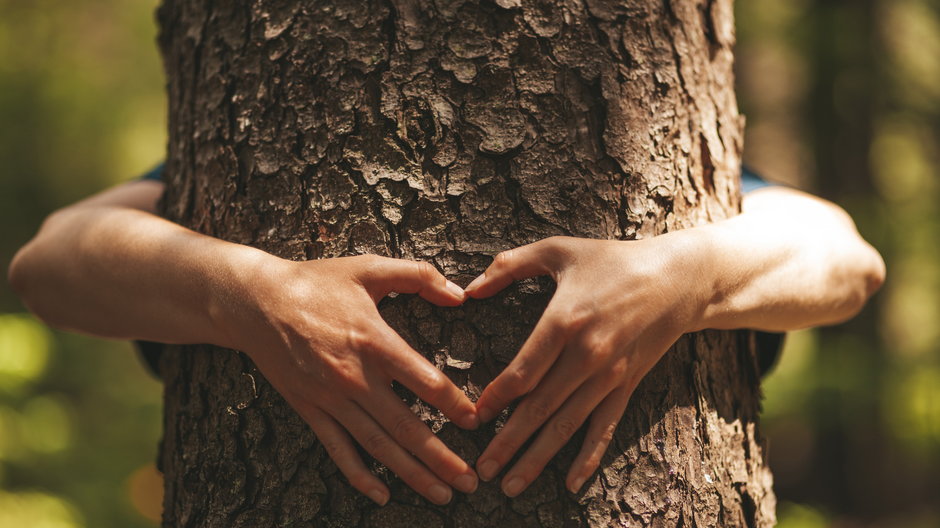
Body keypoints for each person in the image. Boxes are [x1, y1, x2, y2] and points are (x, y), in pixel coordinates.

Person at [6, 165, 885, 506]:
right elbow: (49, 262)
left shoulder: (696, 171)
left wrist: (682, 279)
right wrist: (248, 294)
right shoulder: (228, 146)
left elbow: (844, 257)